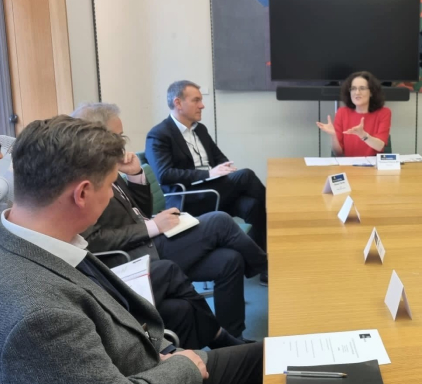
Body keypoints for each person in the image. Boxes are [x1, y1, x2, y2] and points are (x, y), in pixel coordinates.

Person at [0, 115, 262, 384]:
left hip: (153, 358)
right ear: (82, 194)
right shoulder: (41, 317)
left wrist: (165, 355)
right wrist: (181, 367)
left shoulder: (35, 239)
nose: (113, 195)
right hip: (163, 372)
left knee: (268, 351)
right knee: (278, 363)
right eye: (110, 185)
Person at [73, 102, 268, 339]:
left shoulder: (107, 167)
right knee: (219, 220)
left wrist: (135, 175)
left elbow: (140, 212)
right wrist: (153, 226)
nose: (122, 142)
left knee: (230, 260)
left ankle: (233, 336)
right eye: (117, 136)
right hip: (138, 254)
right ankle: (268, 268)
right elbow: (94, 240)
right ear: (96, 136)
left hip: (152, 239)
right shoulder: (83, 180)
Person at [145, 81, 268, 283]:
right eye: (196, 100)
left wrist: (222, 169)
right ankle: (273, 239)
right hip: (189, 198)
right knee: (246, 176)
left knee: (254, 205)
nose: (202, 105)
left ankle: (258, 266)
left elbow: (220, 158)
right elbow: (165, 174)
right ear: (178, 102)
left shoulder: (200, 129)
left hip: (215, 192)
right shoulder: (159, 134)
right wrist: (208, 174)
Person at [316, 71, 392, 157]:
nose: (357, 92)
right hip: (349, 166)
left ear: (371, 92)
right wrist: (333, 136)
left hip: (373, 166)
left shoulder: (384, 112)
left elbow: (379, 146)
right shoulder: (342, 112)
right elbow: (338, 152)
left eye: (362, 88)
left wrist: (363, 135)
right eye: (353, 88)